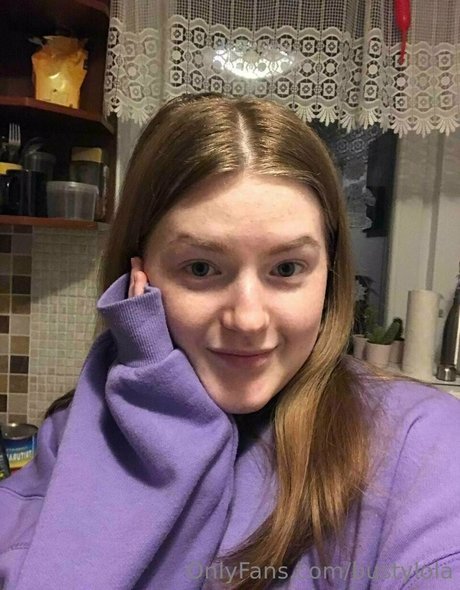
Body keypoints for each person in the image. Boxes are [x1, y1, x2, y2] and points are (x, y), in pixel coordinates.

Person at [1, 93, 460, 590]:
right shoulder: (77, 432)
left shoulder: (421, 441)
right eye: (201, 268)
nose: (247, 319)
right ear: (140, 274)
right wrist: (161, 418)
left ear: (330, 275)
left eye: (287, 268)